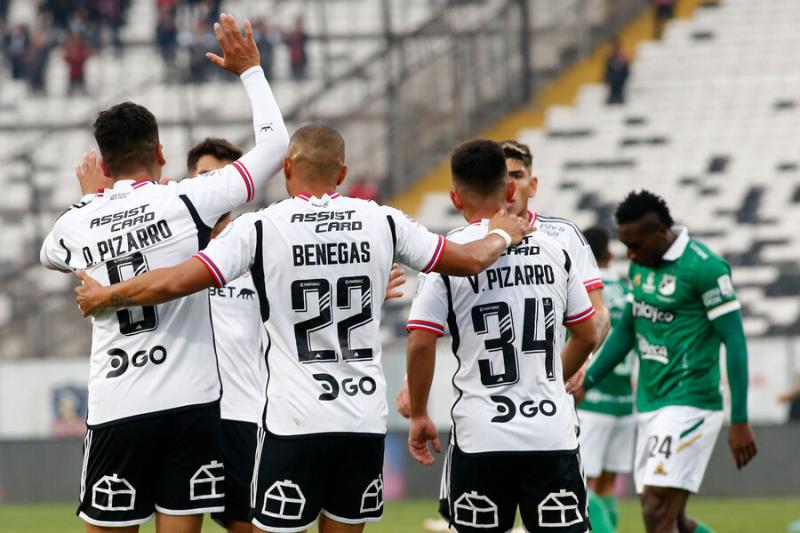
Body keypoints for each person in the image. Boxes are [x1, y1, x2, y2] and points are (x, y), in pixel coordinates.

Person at [73, 126, 532, 533]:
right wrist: (503, 234)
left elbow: (174, 281)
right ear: (343, 172)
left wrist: (108, 295)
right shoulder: (383, 221)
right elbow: (470, 260)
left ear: (287, 168)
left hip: (294, 421)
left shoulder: (261, 227)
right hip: (361, 421)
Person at [41, 14, 289, 531]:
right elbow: (274, 149)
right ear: (160, 153)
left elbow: (53, 252)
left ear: (103, 167)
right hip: (189, 407)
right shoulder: (189, 200)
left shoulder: (73, 223)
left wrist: (93, 201)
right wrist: (251, 73)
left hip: (117, 406)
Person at [396, 138, 610, 532]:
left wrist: (422, 412)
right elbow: (587, 331)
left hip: (481, 434)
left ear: (455, 198)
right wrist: (552, 382)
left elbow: (422, 340)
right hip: (550, 434)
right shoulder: (554, 249)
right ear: (510, 190)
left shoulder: (447, 255)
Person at [579, 190, 757, 533]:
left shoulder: (704, 268)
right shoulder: (641, 267)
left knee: (657, 509)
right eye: (625, 245)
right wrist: (587, 381)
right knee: (667, 514)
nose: (629, 254)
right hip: (649, 403)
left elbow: (734, 339)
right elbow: (627, 330)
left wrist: (740, 418)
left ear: (660, 233)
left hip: (690, 401)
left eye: (635, 245)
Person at [576, 226, 635, 533]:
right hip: (625, 401)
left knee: (580, 483)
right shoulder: (629, 291)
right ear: (609, 253)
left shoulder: (584, 290)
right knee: (608, 484)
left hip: (591, 398)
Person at [63, 30, 91, 95]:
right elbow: (66, 56)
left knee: (81, 80)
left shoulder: (82, 46)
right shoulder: (69, 46)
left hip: (80, 70)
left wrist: (78, 57)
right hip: (72, 71)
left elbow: (87, 54)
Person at [604, 37, 629, 105]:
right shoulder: (610, 58)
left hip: (620, 85)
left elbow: (626, 70)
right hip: (613, 85)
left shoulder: (622, 57)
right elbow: (607, 71)